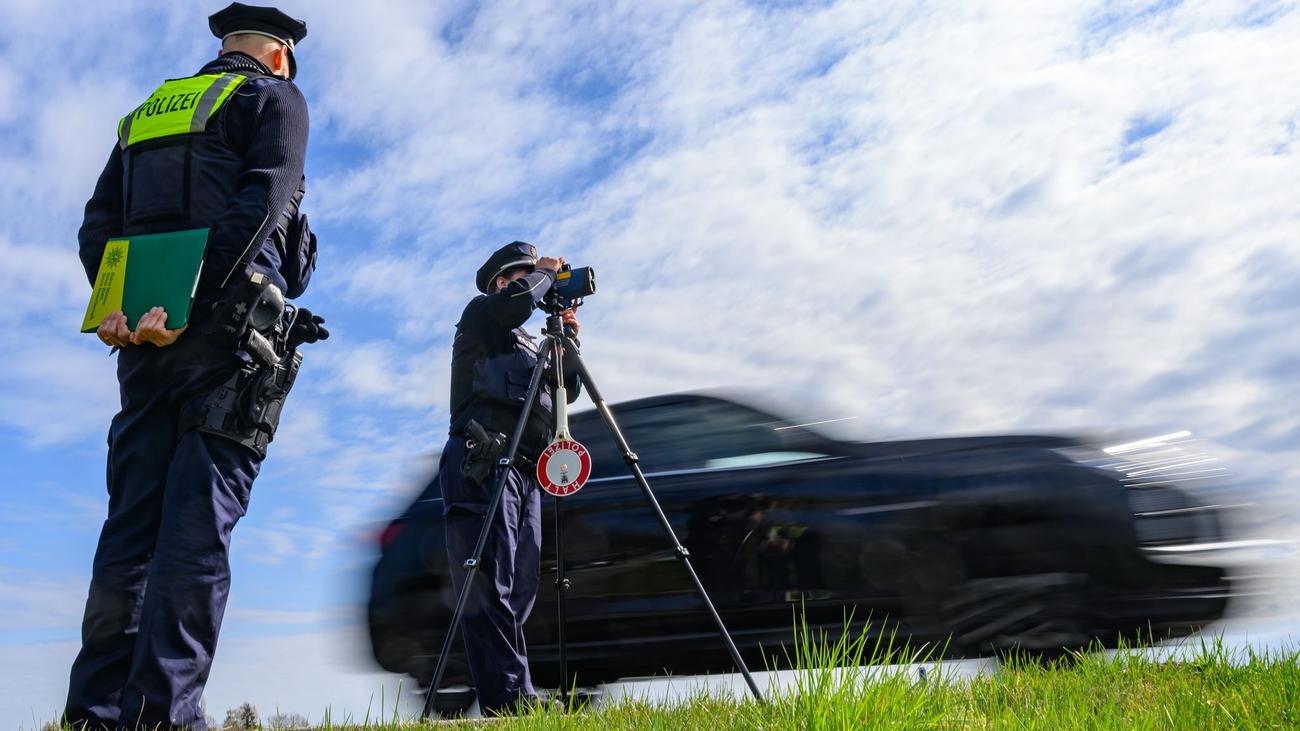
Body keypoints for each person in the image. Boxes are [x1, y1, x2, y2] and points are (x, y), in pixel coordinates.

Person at [65, 4, 317, 729]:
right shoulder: (275, 97)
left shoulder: (146, 112)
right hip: (226, 336)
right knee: (196, 532)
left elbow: (96, 225)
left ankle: (94, 715)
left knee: (130, 531)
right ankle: (164, 716)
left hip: (141, 343)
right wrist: (193, 303)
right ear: (279, 55)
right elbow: (260, 203)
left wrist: (123, 306)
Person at [440, 241, 582, 715]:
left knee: (520, 587)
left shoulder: (527, 343)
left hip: (527, 472)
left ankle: (512, 696)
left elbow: (566, 391)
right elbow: (516, 303)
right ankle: (513, 705)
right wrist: (544, 273)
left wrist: (569, 337)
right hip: (483, 461)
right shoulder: (482, 315)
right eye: (525, 274)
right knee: (489, 584)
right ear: (502, 282)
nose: (536, 282)